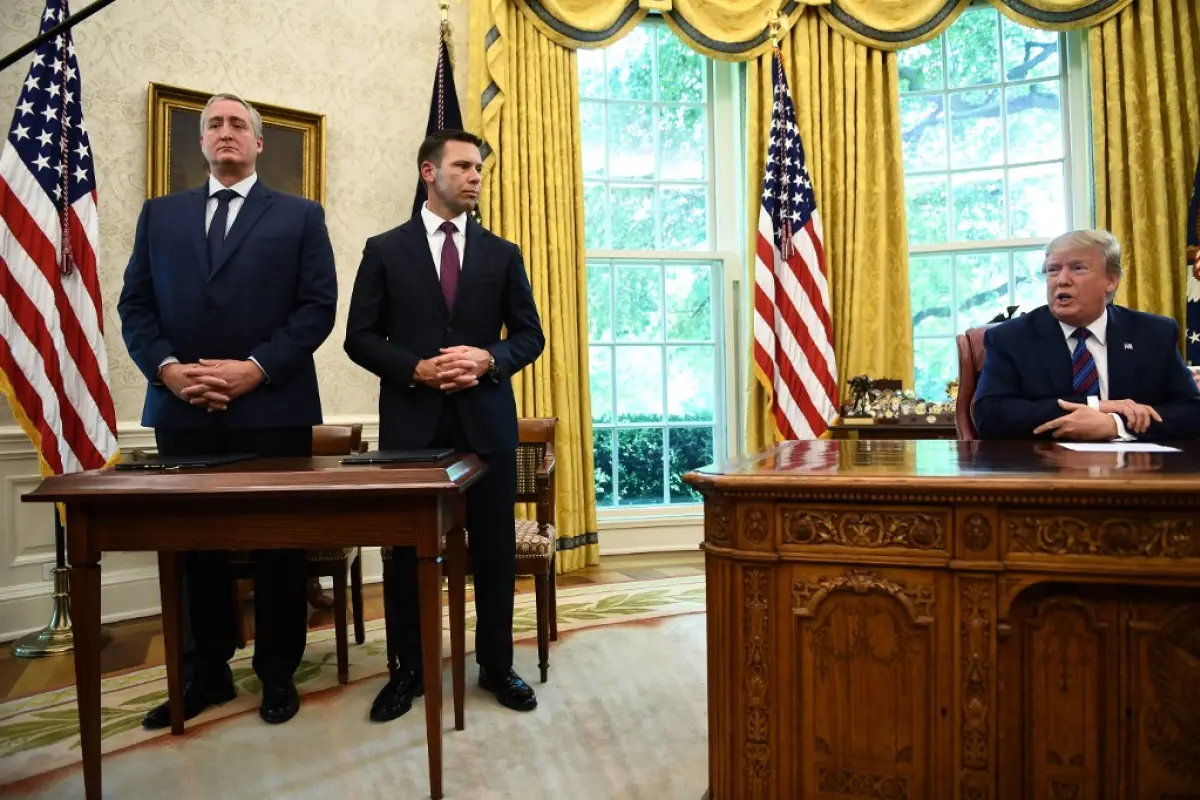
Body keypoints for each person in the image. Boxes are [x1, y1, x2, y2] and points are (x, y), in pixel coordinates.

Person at [118, 93, 337, 728]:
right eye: (213, 124)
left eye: (238, 124)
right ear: (201, 142)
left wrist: (254, 370)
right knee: (194, 548)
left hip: (273, 407)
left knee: (277, 549)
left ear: (259, 143)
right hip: (182, 409)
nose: (225, 132)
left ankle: (276, 673)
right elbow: (135, 307)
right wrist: (168, 370)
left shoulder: (300, 216)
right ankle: (204, 673)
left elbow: (316, 308)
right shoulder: (159, 217)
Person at [344, 129, 545, 721]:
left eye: (479, 167)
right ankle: (408, 670)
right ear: (428, 172)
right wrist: (416, 370)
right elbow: (359, 337)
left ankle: (497, 665)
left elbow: (528, 336)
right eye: (463, 166)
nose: (476, 175)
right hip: (413, 431)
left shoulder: (503, 254)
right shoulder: (384, 250)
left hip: (488, 429)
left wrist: (489, 358)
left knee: (494, 554)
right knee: (407, 558)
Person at [972, 229, 1200, 441]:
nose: (1062, 280)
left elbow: (1192, 412)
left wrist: (1115, 425)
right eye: (1053, 270)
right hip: (1046, 473)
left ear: (1111, 280)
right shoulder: (1011, 338)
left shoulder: (1153, 334)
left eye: (1077, 268)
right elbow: (990, 415)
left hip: (1137, 474)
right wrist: (1097, 406)